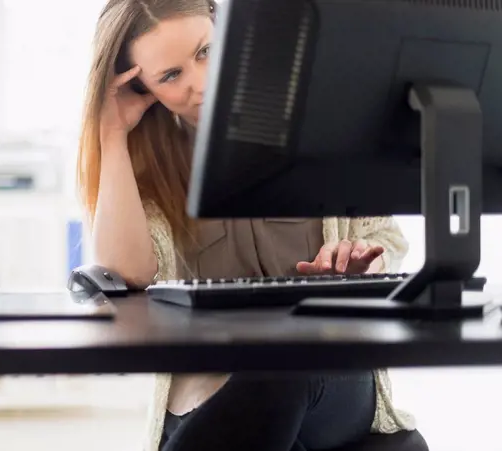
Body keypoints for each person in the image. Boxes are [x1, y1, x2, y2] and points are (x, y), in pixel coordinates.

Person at [77, 1, 418, 450]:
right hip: (210, 384)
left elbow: (387, 240)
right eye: (171, 76)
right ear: (141, 87)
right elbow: (131, 272)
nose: (202, 83)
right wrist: (112, 134)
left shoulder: (320, 116)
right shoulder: (150, 163)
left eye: (205, 51)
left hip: (328, 370)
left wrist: (360, 263)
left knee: (286, 364)